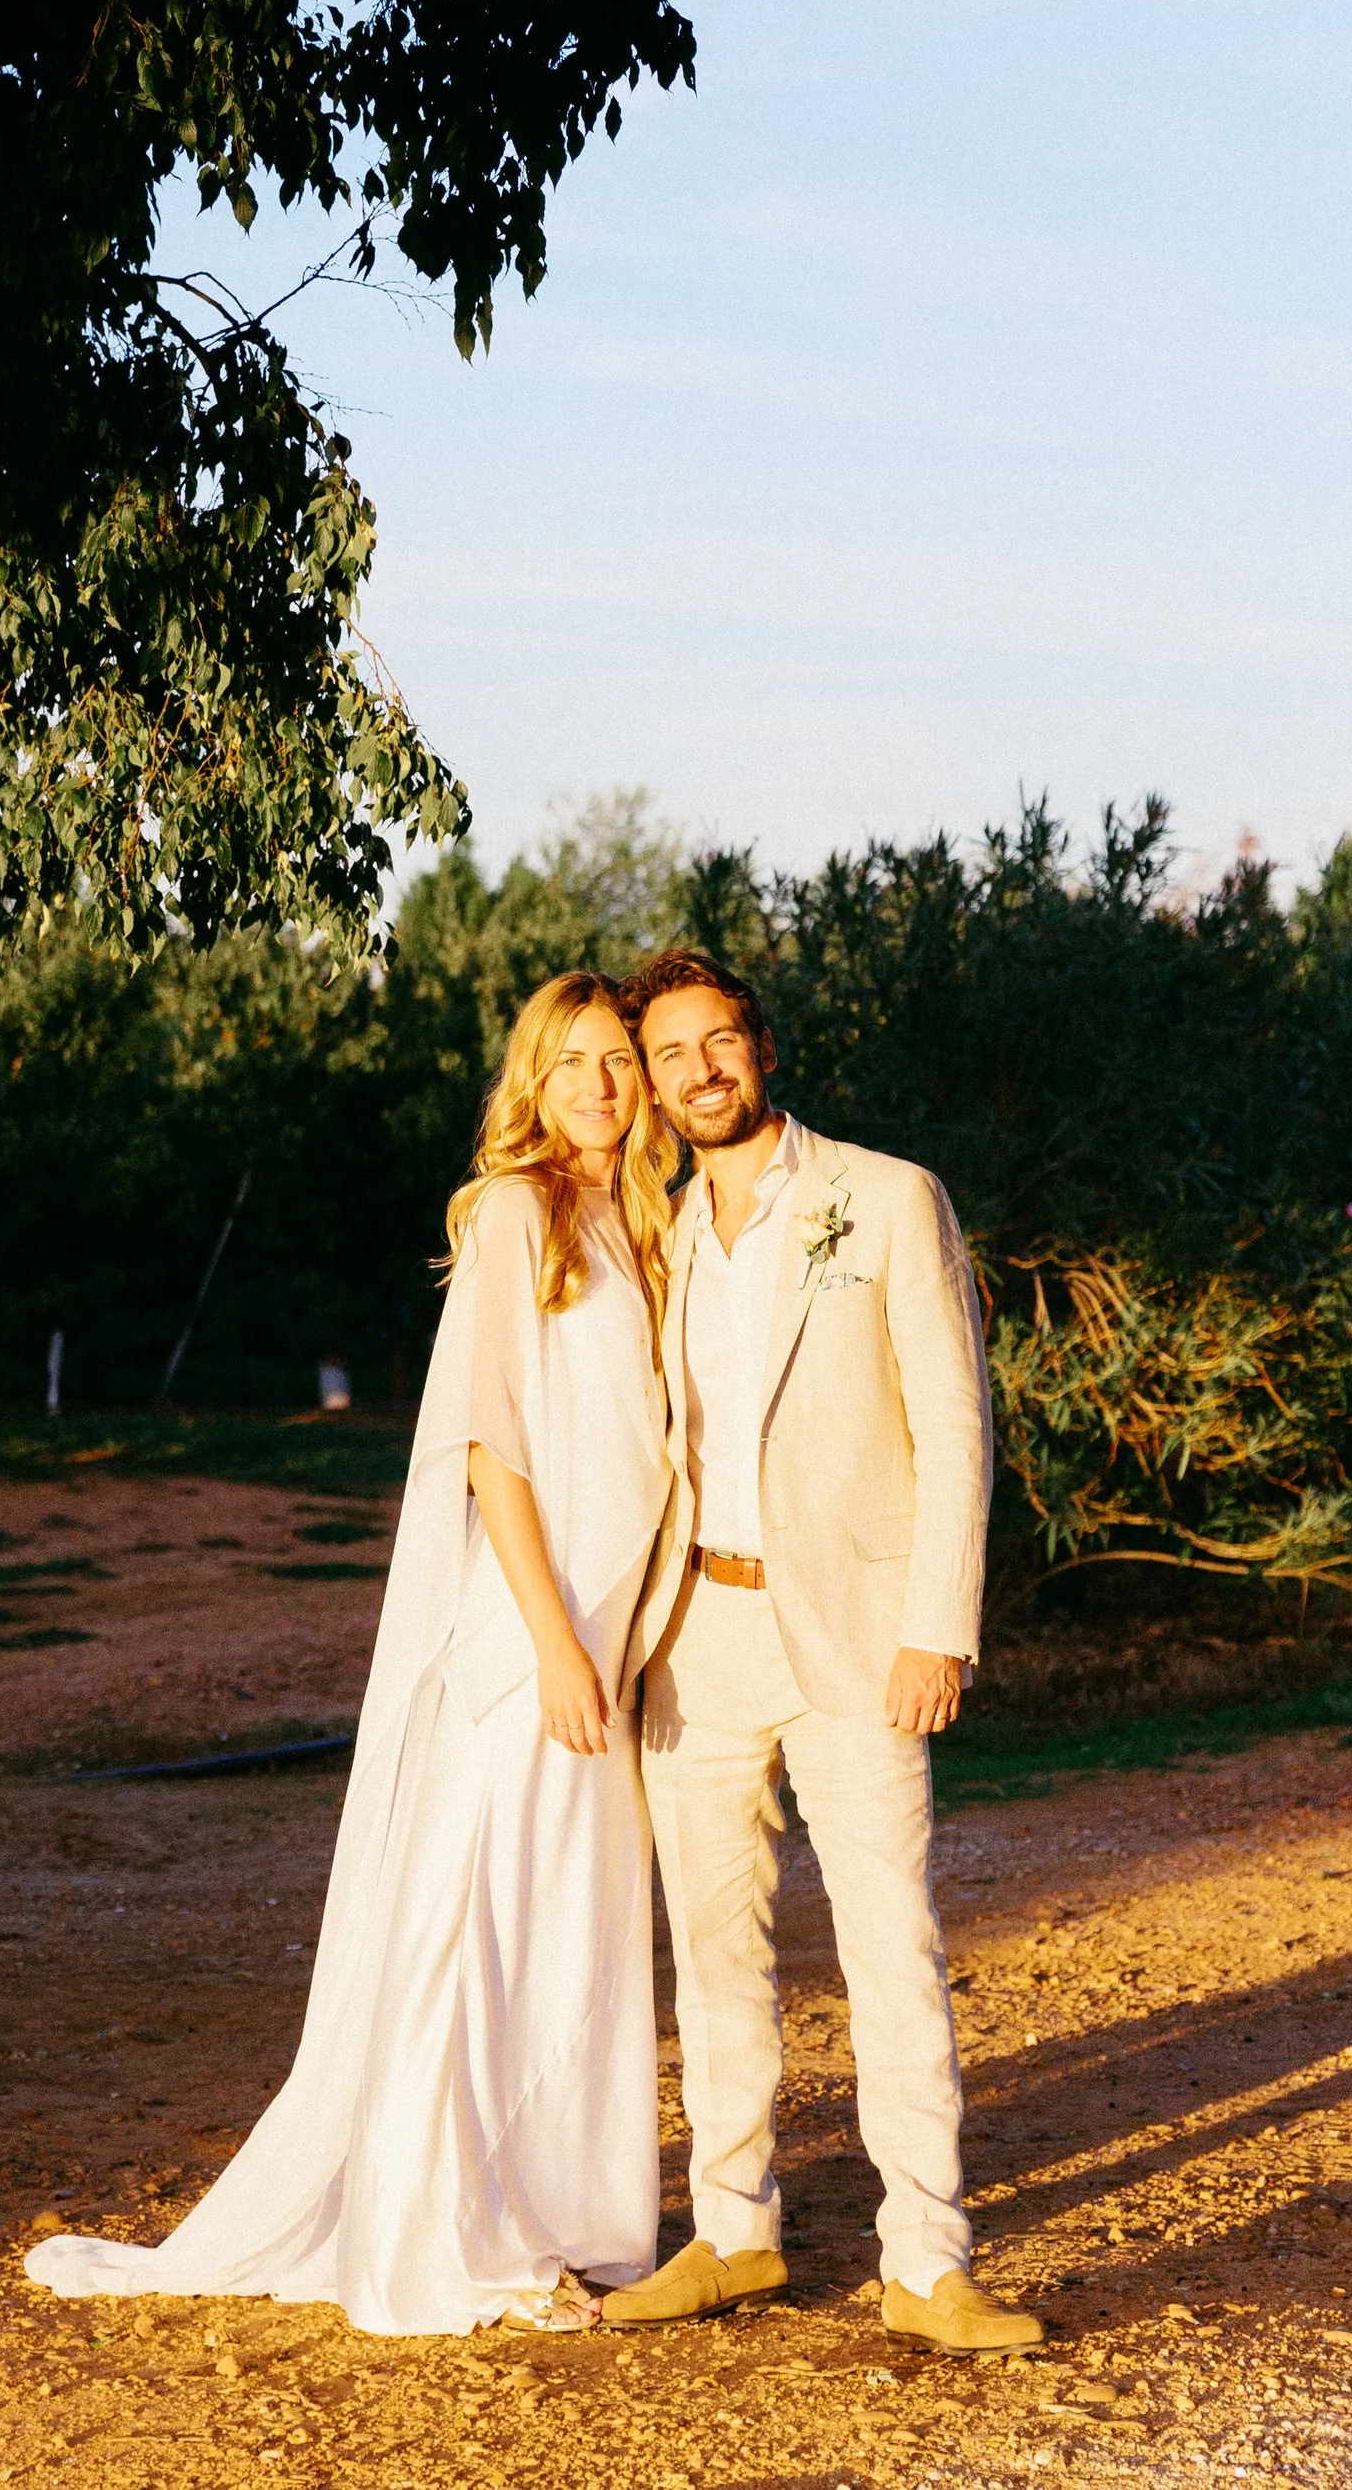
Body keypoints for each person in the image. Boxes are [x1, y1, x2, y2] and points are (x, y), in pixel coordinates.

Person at [24, 973, 675, 2338]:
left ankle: (557, 2208)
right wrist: (553, 1641)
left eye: (618, 1058)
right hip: (537, 1630)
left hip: (619, 1627)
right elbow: (491, 1449)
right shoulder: (517, 1214)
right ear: (534, 1081)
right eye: (571, 1063)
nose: (600, 1085)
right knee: (479, 1921)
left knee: (571, 1926)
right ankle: (446, 2232)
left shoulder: (648, 1220)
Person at [602, 947, 1041, 2356]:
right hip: (696, 1633)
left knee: (889, 1940)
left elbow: (957, 1420)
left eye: (718, 1041)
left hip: (859, 1630)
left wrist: (939, 1625)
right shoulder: (655, 1230)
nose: (699, 1071)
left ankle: (929, 2259)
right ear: (653, 1084)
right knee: (713, 1948)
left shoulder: (888, 1196)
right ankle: (734, 2232)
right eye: (671, 1055)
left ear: (763, 1048)